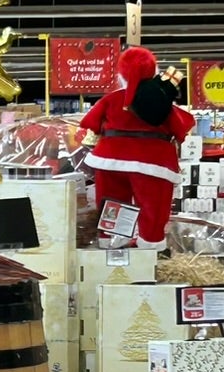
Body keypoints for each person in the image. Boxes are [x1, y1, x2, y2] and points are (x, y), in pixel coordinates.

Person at [78, 47, 195, 247]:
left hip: (111, 161)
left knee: (113, 208)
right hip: (152, 165)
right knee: (152, 211)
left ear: (121, 74)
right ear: (154, 71)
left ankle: (113, 248)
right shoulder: (162, 103)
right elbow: (181, 127)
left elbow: (90, 123)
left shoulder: (110, 99)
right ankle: (149, 251)